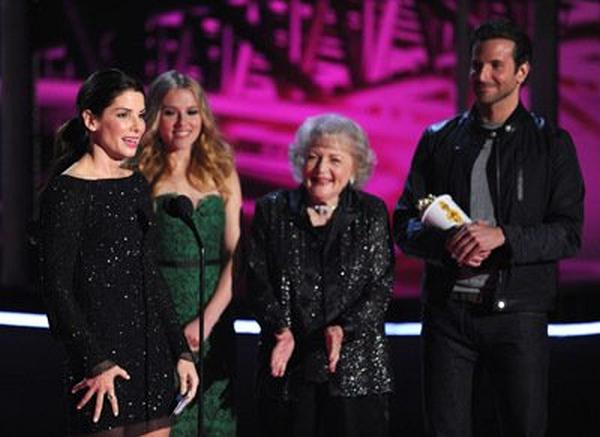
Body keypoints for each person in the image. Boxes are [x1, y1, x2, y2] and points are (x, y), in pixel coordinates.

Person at [393, 19, 585, 437]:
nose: (482, 76)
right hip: (447, 317)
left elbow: (569, 233)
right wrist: (447, 243)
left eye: (496, 66)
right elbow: (404, 223)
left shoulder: (551, 144)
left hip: (518, 317)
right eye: (476, 65)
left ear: (522, 71)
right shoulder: (437, 139)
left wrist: (504, 237)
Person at [39, 69, 199, 436]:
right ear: (91, 119)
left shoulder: (135, 185)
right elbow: (57, 288)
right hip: (98, 362)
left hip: (150, 355)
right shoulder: (66, 193)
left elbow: (148, 272)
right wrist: (95, 361)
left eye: (140, 115)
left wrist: (180, 352)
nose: (136, 126)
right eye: (122, 114)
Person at [247, 113, 394, 437]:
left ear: (355, 167)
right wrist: (280, 329)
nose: (321, 169)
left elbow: (380, 287)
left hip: (357, 370)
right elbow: (256, 278)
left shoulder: (371, 213)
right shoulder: (273, 209)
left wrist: (344, 329)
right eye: (313, 156)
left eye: (335, 159)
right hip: (288, 368)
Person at [137, 70, 240, 437]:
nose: (183, 123)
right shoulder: (140, 171)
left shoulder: (221, 166)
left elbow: (235, 253)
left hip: (213, 317)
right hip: (157, 316)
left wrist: (208, 320)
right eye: (170, 112)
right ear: (155, 117)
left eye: (191, 112)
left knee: (213, 420)